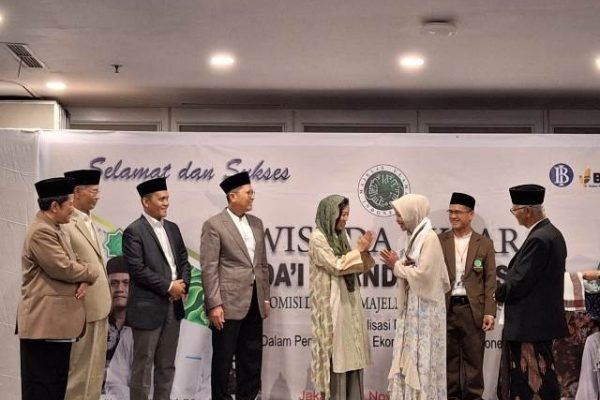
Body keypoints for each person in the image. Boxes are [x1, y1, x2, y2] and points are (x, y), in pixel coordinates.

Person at [17, 177, 99, 400]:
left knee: (56, 385)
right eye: (70, 204)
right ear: (54, 206)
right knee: (42, 387)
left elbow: (75, 262)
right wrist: (92, 272)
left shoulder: (56, 229)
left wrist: (83, 278)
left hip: (57, 326)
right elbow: (63, 268)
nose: (73, 209)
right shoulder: (40, 232)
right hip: (44, 325)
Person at [200, 171, 270, 400]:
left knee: (251, 357)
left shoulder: (257, 223)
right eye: (248, 193)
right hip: (227, 303)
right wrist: (214, 304)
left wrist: (265, 297)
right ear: (232, 196)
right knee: (223, 358)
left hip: (254, 302)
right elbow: (209, 267)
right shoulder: (214, 225)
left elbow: (261, 264)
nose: (252, 197)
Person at [495, 184, 568, 400]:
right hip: (538, 323)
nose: (514, 214)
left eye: (515, 209)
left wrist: (498, 293)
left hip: (531, 325)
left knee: (534, 380)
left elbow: (521, 280)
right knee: (537, 377)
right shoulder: (551, 234)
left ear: (527, 210)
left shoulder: (539, 238)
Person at [123, 177, 191, 400]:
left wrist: (183, 284)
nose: (166, 203)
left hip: (174, 306)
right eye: (161, 199)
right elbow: (137, 269)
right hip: (147, 309)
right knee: (143, 367)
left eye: (167, 198)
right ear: (146, 202)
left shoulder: (173, 228)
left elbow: (184, 261)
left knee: (167, 365)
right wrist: (169, 286)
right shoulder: (134, 231)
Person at [380, 193, 450, 400]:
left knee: (423, 358)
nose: (397, 220)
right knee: (409, 355)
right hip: (412, 308)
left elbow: (425, 275)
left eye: (400, 215)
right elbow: (413, 269)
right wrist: (402, 264)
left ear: (413, 213)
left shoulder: (429, 238)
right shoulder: (410, 237)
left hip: (425, 311)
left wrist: (397, 265)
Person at [309, 194, 375, 400]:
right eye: (342, 214)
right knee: (338, 355)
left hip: (349, 303)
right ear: (330, 214)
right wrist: (358, 250)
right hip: (333, 306)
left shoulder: (340, 236)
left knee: (352, 353)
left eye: (347, 214)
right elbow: (337, 266)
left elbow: (356, 267)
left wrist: (364, 252)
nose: (345, 219)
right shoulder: (318, 238)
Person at [438, 192, 496, 400]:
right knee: (448, 361)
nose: (453, 216)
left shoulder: (484, 243)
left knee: (474, 362)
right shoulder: (439, 241)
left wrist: (490, 311)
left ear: (471, 215)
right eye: (451, 212)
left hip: (473, 310)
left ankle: (474, 397)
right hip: (446, 308)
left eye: (458, 212)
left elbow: (490, 280)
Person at [62, 169, 112, 400]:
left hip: (100, 307)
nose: (98, 196)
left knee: (95, 371)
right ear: (77, 192)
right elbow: (67, 263)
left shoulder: (90, 221)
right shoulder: (66, 224)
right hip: (81, 307)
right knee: (79, 370)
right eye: (93, 191)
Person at [103, 256, 134, 399]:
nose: (120, 289)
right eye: (114, 283)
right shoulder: (96, 325)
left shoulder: (143, 329)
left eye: (126, 283)